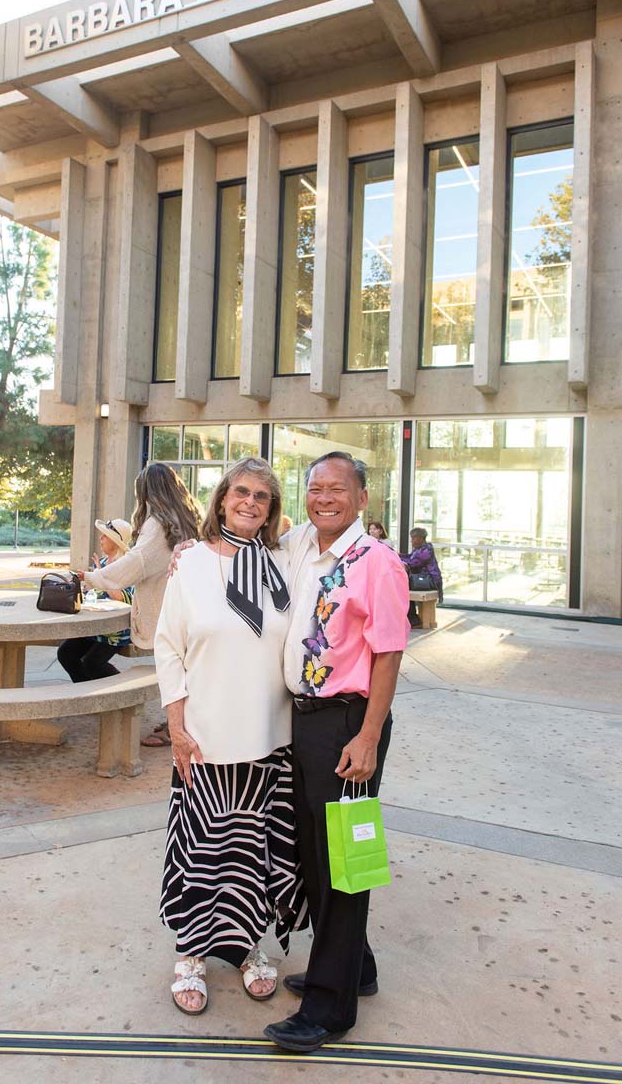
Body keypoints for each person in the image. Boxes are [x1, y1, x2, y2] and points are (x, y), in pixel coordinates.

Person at [263, 451, 409, 1054]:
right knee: (317, 857)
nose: (324, 498)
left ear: (362, 499)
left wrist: (369, 735)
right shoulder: (302, 547)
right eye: (315, 488)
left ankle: (330, 1007)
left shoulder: (377, 561)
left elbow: (389, 652)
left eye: (337, 489)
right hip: (306, 723)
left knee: (343, 863)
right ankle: (356, 967)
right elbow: (247, 536)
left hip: (349, 724)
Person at [154, 458, 306, 1015]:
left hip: (270, 737)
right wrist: (175, 725)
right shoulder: (189, 563)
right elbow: (167, 647)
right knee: (201, 849)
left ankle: (246, 946)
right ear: (220, 500)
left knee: (254, 850)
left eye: (262, 496)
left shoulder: (282, 564)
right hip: (206, 734)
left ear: (271, 510)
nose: (250, 502)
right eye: (240, 492)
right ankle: (191, 953)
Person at [76, 463, 202, 747]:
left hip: (168, 610)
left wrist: (95, 577)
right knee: (186, 670)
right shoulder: (189, 518)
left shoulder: (157, 525)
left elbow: (136, 564)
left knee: (174, 671)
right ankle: (182, 725)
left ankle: (178, 729)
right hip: (190, 607)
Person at [57, 518, 134, 683]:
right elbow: (97, 593)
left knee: (91, 663)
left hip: (116, 630)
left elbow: (123, 598)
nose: (101, 539)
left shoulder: (127, 565)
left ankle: (122, 689)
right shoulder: (105, 562)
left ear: (115, 540)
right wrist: (86, 587)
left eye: (104, 536)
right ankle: (86, 693)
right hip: (96, 627)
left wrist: (100, 575)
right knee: (65, 653)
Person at [400, 526, 443, 628]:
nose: (411, 541)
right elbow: (409, 557)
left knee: (404, 589)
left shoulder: (426, 550)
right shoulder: (419, 549)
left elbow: (413, 563)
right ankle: (411, 618)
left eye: (413, 538)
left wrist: (400, 559)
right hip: (422, 579)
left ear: (420, 538)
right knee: (402, 587)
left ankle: (413, 619)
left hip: (430, 580)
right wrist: (396, 555)